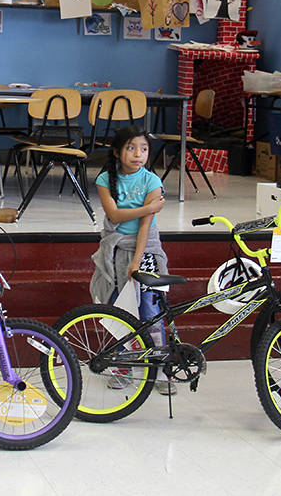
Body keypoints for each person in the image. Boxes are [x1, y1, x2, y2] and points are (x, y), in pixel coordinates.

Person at [88, 124, 173, 395]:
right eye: (131, 148)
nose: (138, 154)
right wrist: (149, 207)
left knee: (149, 309)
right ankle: (125, 366)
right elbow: (114, 216)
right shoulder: (105, 180)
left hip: (144, 252)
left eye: (144, 149)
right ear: (116, 152)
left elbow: (145, 228)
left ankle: (159, 368)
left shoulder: (152, 181)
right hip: (115, 251)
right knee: (119, 309)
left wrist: (137, 262)